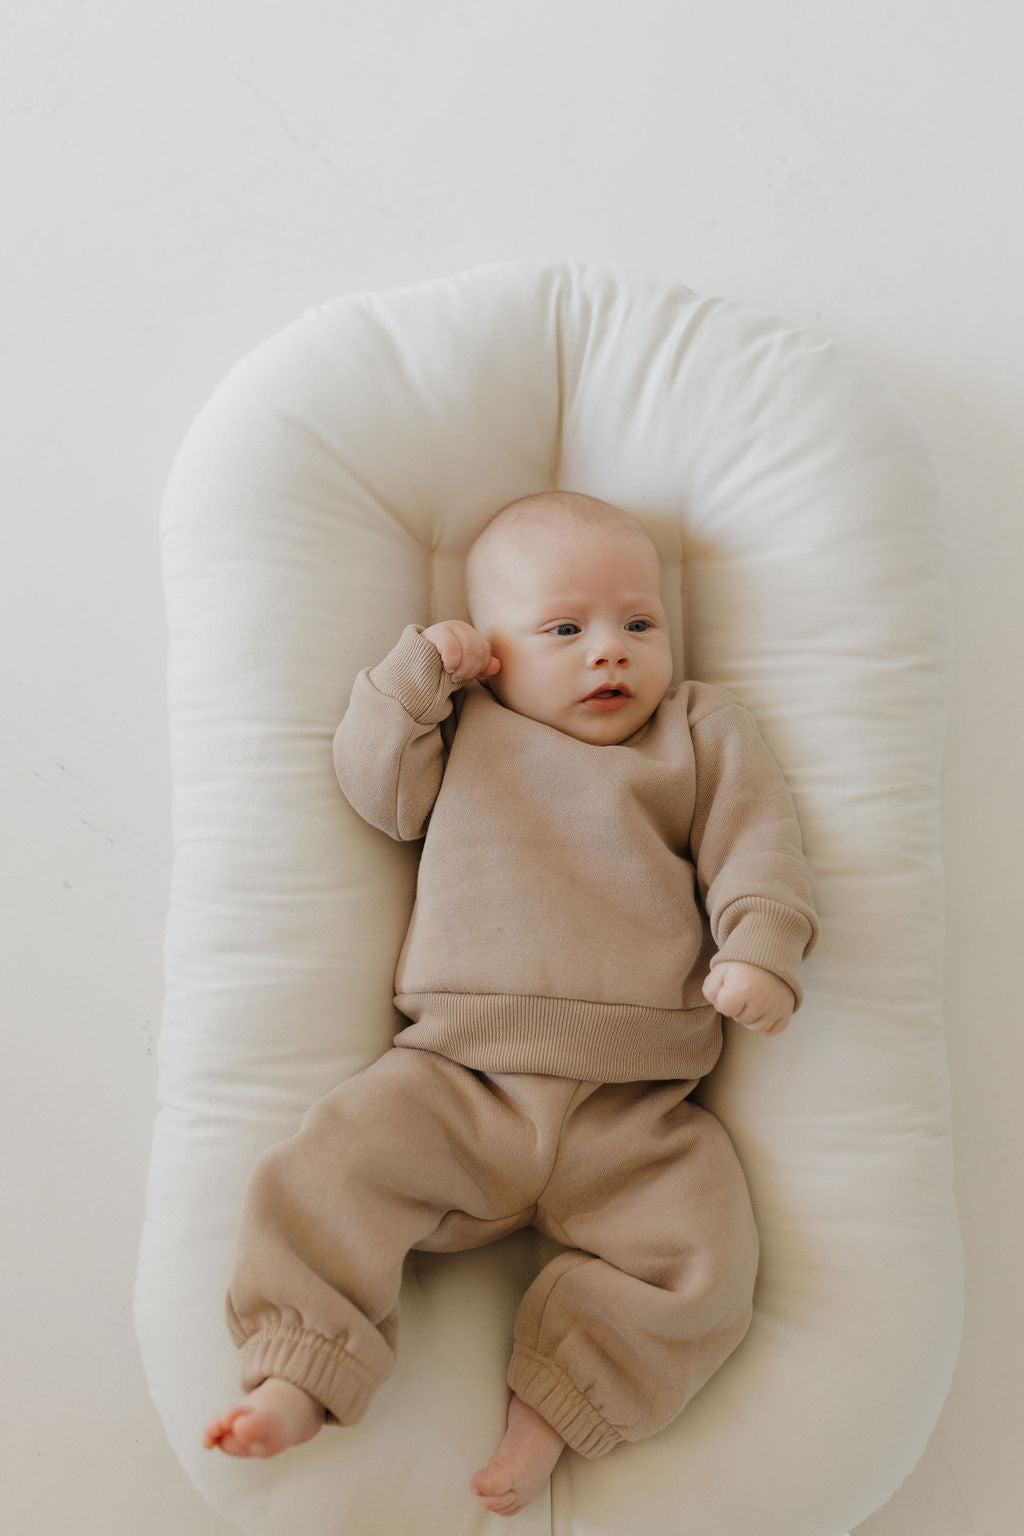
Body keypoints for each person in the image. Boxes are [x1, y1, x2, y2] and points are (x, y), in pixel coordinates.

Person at [203, 490, 819, 1517]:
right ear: (490, 651)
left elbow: (760, 853)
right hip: (454, 1079)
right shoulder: (467, 733)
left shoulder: (701, 731)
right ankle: (300, 1366)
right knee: (331, 1167)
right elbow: (373, 788)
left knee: (705, 1255)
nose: (609, 653)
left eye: (638, 623)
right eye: (564, 629)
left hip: (636, 1110)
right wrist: (420, 675)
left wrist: (759, 952)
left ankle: (553, 1414)